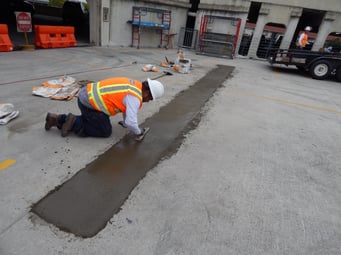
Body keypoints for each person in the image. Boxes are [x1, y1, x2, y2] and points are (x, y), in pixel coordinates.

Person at [44, 77, 164, 141]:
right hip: (90, 104)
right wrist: (139, 132)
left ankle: (58, 119)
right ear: (147, 93)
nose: (148, 101)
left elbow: (127, 111)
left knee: (93, 120)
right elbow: (131, 121)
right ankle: (74, 122)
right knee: (105, 131)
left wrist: (126, 123)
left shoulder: (134, 85)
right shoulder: (135, 97)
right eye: (150, 99)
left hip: (86, 96)